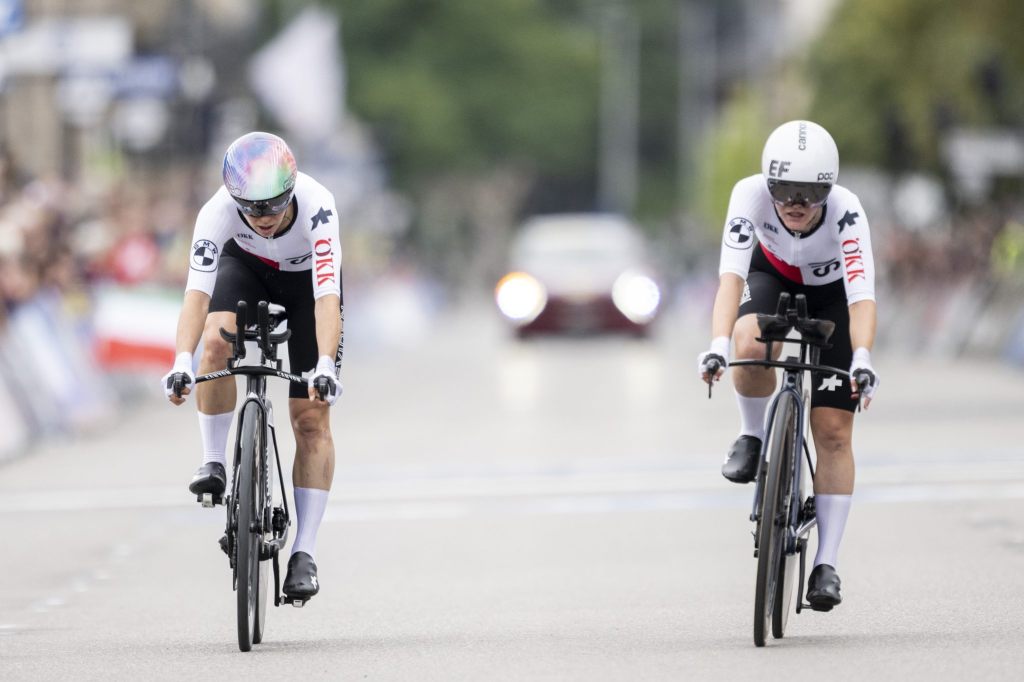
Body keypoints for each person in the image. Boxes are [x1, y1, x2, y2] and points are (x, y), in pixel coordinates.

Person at [697, 120, 879, 610]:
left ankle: (826, 563)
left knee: (834, 431)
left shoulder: (847, 211)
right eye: (784, 191)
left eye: (811, 192)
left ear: (830, 188)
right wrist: (716, 345)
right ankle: (753, 436)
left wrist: (861, 358)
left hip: (833, 298)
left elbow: (862, 298)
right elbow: (731, 280)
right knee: (747, 339)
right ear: (767, 184)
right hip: (771, 276)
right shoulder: (748, 195)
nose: (796, 203)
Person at [161, 131, 343, 601]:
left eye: (273, 207)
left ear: (292, 189)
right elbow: (196, 295)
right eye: (252, 209)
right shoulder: (216, 211)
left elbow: (327, 300)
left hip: (307, 290)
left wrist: (324, 364)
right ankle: (215, 461)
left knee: (310, 418)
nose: (262, 219)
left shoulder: (319, 206)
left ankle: (304, 551)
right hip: (246, 270)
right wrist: (182, 361)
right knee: (216, 344)